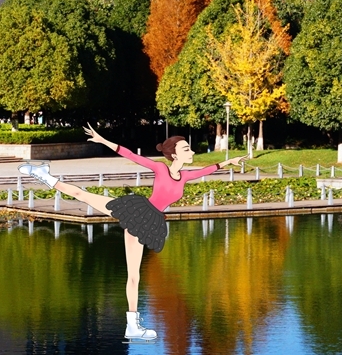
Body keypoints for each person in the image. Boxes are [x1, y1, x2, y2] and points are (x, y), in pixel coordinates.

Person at [18, 125, 245, 343]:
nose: (192, 152)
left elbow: (209, 169)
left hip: (150, 220)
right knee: (83, 196)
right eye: (187, 149)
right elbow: (131, 155)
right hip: (139, 212)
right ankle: (42, 175)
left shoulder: (184, 176)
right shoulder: (161, 169)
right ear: (174, 154)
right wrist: (103, 140)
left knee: (134, 274)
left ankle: (132, 325)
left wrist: (229, 162)